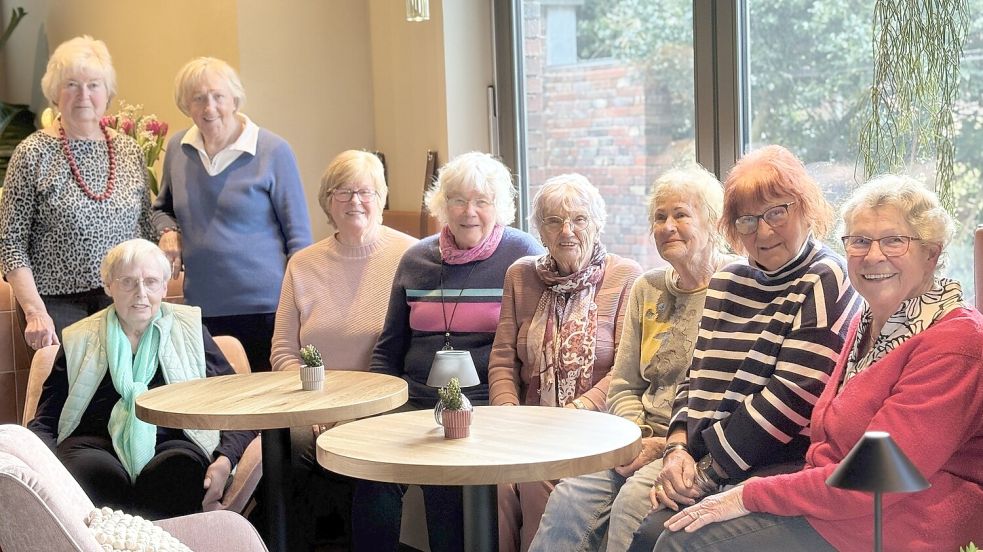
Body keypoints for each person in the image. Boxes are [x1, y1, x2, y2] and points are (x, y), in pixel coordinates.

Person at [635, 175, 983, 552]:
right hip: (832, 503)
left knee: (682, 542)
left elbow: (874, 479)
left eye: (894, 240)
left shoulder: (955, 343)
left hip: (897, 524)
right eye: (860, 241)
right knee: (657, 529)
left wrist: (746, 494)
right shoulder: (868, 325)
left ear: (931, 252)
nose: (873, 255)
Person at [623, 145, 862, 549]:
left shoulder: (826, 278)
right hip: (704, 454)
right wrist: (677, 449)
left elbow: (791, 399)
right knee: (641, 526)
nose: (763, 232)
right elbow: (695, 377)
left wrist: (706, 474)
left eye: (776, 213)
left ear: (804, 207)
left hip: (776, 460)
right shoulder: (728, 279)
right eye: (747, 219)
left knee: (657, 534)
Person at [528, 166, 738, 552]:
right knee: (570, 496)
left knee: (631, 506)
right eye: (660, 217)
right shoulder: (648, 287)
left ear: (713, 222)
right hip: (634, 439)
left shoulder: (737, 287)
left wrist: (662, 445)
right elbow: (625, 383)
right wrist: (635, 437)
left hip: (690, 449)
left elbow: (726, 396)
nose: (668, 226)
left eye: (680, 214)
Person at [352, 151, 545, 552]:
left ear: (500, 208)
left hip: (483, 405)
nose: (469, 211)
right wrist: (373, 411)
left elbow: (532, 347)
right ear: (442, 204)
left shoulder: (521, 256)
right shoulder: (416, 259)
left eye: (482, 201)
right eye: (458, 199)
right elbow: (389, 348)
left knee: (448, 482)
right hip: (416, 402)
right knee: (370, 476)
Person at [27, 239, 257, 520]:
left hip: (176, 441)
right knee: (92, 477)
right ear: (108, 286)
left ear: (163, 286)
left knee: (177, 472)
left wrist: (225, 459)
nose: (141, 294)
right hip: (92, 443)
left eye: (151, 282)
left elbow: (239, 406)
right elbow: (46, 421)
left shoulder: (192, 331)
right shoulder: (78, 338)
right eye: (128, 282)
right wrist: (41, 469)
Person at [271, 150, 417, 550]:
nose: (355, 201)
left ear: (381, 198)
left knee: (374, 462)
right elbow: (284, 352)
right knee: (286, 454)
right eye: (343, 192)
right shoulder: (303, 264)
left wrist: (358, 409)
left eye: (366, 191)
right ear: (327, 203)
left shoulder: (412, 255)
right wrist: (317, 408)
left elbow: (416, 350)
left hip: (387, 405)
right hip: (314, 406)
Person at [489, 173, 642, 552]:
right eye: (554, 221)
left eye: (579, 219)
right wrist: (508, 413)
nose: (567, 230)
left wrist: (573, 413)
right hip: (528, 426)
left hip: (593, 427)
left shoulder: (626, 277)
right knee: (495, 486)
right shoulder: (520, 276)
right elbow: (503, 360)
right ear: (540, 231)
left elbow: (626, 371)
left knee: (534, 479)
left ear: (597, 224)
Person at [152, 57, 312, 372]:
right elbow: (161, 210)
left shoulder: (273, 150)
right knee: (217, 410)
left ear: (235, 99)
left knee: (271, 409)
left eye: (218, 96)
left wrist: (301, 307)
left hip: (267, 309)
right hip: (202, 309)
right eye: (198, 98)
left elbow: (299, 238)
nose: (209, 107)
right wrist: (168, 232)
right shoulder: (177, 149)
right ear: (186, 105)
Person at [0, 35, 154, 351]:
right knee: (72, 395)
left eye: (93, 84)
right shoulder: (33, 153)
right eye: (71, 84)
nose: (83, 94)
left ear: (108, 94)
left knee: (129, 392)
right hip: (56, 306)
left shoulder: (129, 151)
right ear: (55, 94)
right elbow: (10, 244)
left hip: (124, 302)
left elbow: (146, 232)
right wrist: (35, 312)